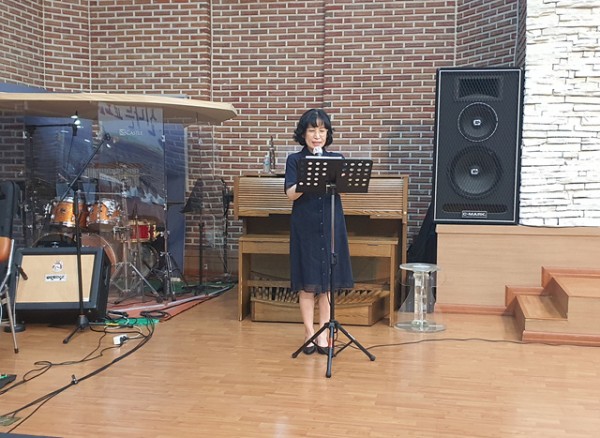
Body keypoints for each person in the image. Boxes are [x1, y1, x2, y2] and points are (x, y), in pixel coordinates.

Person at [284, 109, 354, 355]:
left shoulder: (336, 158)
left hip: (331, 222)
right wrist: (309, 175)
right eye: (312, 130)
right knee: (307, 282)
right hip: (305, 224)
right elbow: (291, 194)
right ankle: (308, 332)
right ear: (303, 133)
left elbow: (343, 189)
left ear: (327, 134)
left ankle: (324, 334)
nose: (317, 135)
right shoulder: (295, 160)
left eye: (322, 130)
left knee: (327, 283)